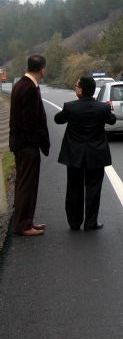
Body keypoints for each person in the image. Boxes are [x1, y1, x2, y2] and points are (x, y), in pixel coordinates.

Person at [54, 77, 116, 230]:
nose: (75, 88)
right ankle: (91, 222)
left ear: (81, 90)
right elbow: (112, 121)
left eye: (76, 86)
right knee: (93, 188)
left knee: (74, 188)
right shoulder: (103, 108)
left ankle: (74, 222)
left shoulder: (70, 107)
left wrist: (66, 113)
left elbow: (58, 120)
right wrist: (110, 109)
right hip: (96, 154)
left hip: (74, 154)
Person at [9, 55, 50, 236]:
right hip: (27, 145)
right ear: (42, 69)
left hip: (20, 143)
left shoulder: (20, 84)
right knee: (27, 185)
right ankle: (23, 226)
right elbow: (30, 121)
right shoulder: (29, 88)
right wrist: (38, 142)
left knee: (23, 183)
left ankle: (26, 221)